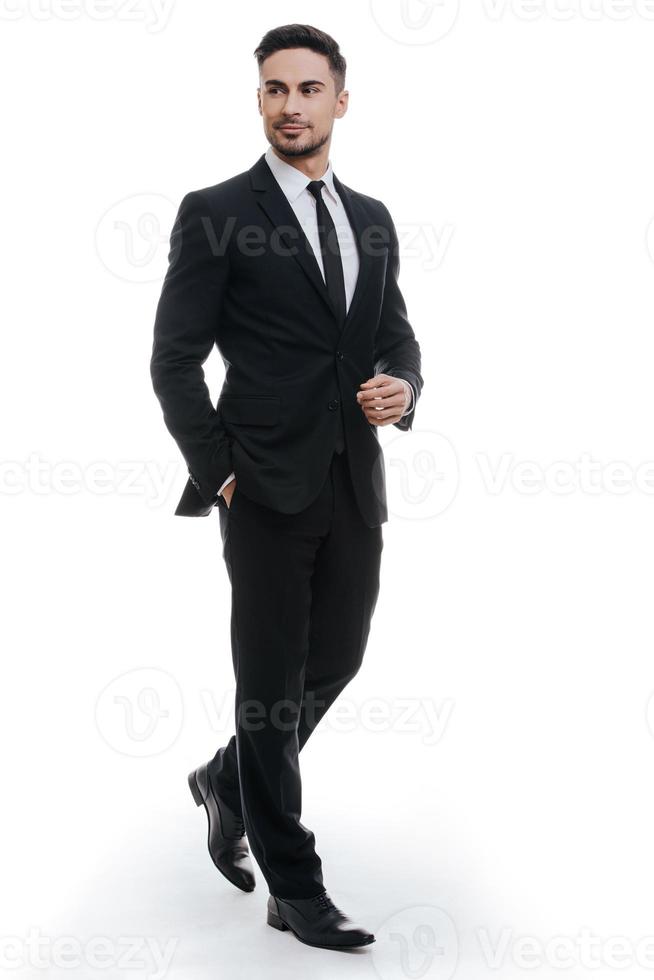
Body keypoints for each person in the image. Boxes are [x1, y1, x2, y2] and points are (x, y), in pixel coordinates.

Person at [150, 23, 424, 951]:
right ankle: (292, 884)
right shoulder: (214, 209)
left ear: (340, 101)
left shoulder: (373, 217)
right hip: (260, 484)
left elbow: (393, 332)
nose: (291, 105)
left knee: (337, 657)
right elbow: (174, 360)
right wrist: (218, 469)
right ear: (259, 100)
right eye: (275, 89)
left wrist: (403, 384)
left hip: (354, 475)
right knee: (267, 684)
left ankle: (229, 781)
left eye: (309, 89)